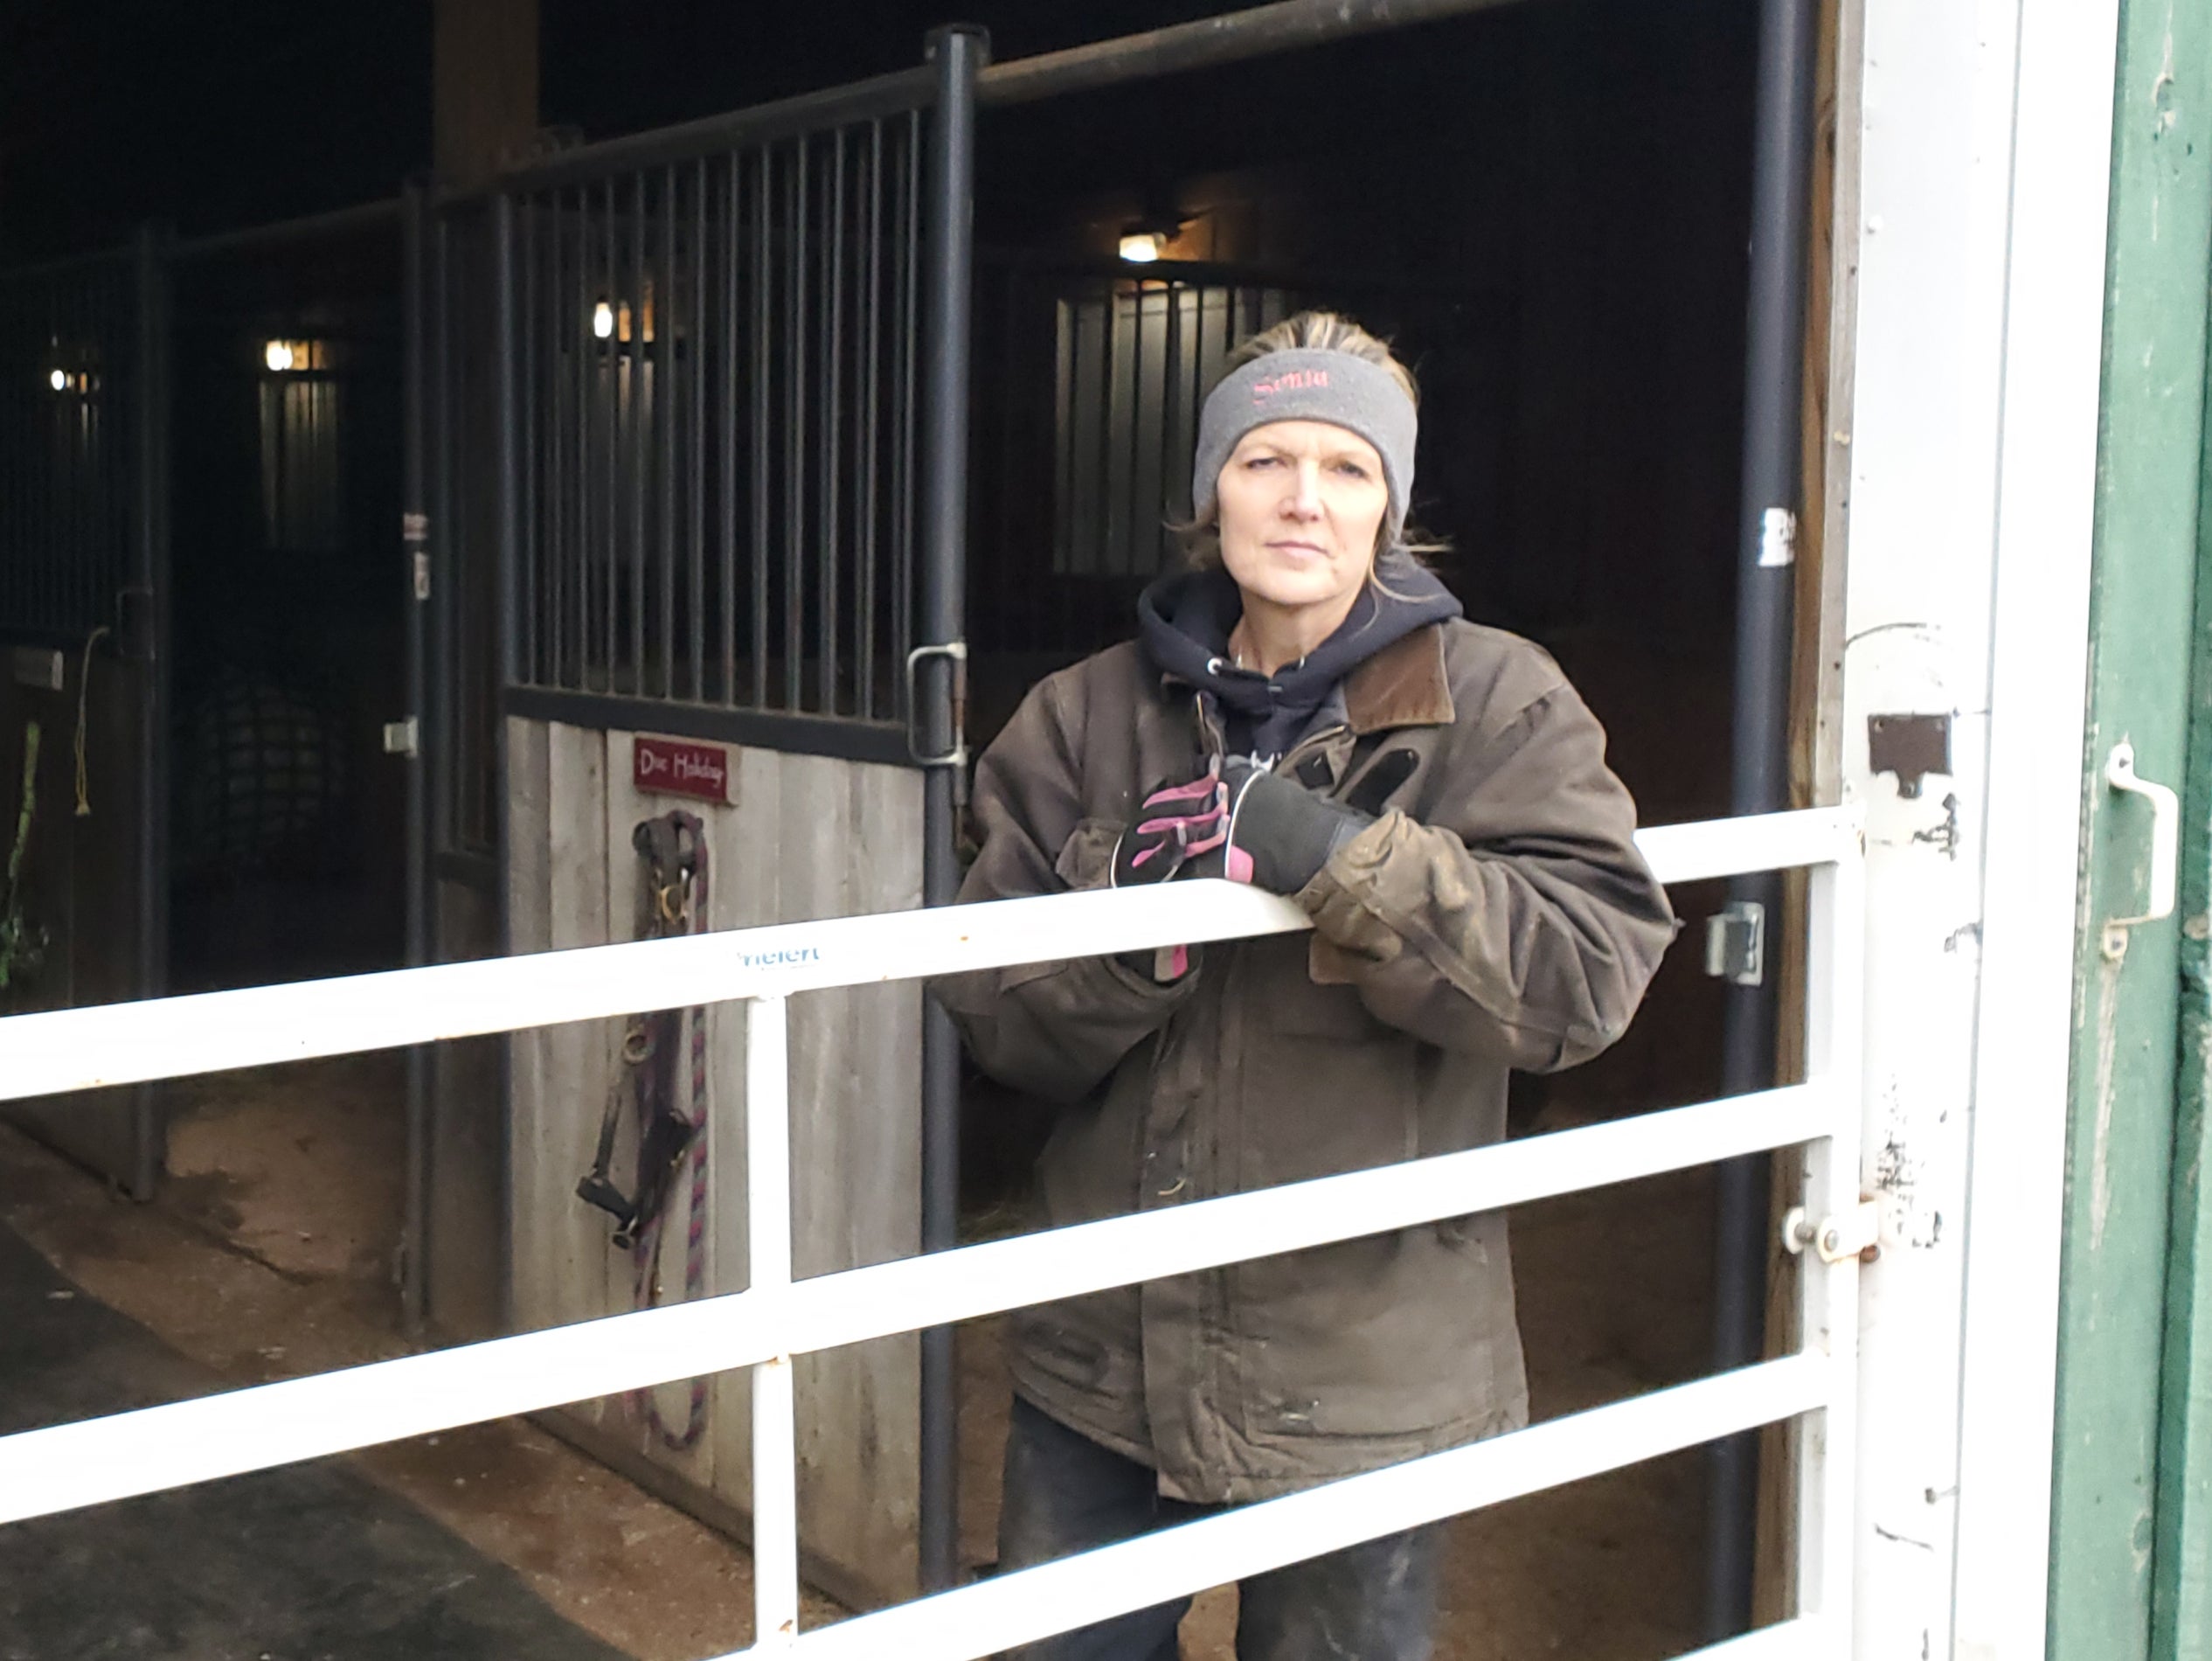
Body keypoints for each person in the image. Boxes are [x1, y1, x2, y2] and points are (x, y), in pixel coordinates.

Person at [933, 311, 1676, 1660]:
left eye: (1345, 466)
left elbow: (1582, 977)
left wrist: (1336, 857)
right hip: (1104, 1350)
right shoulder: (1080, 716)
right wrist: (1140, 948)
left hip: (1362, 1363)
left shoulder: (1501, 704)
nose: (1301, 499)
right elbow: (992, 1013)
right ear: (1207, 490)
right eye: (1265, 458)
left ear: (1391, 505)